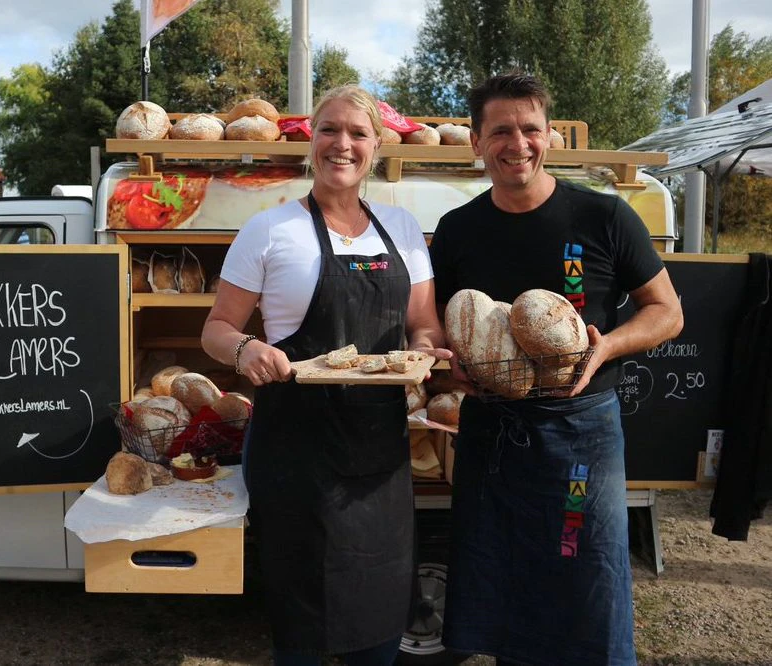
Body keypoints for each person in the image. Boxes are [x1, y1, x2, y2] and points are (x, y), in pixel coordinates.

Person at [428, 71, 684, 665]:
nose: (517, 144)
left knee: (583, 566)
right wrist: (448, 365)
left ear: (550, 137)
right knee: (503, 573)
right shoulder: (458, 230)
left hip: (581, 431)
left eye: (530, 129)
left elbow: (667, 313)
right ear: (476, 141)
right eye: (500, 131)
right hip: (491, 431)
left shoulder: (604, 217)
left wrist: (606, 348)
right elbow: (436, 325)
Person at [201, 84, 453, 665]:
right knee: (301, 631)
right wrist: (244, 349)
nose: (343, 143)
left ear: (376, 147)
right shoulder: (269, 229)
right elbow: (216, 328)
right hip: (295, 456)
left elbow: (423, 324)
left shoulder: (402, 228)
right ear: (311, 141)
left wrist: (421, 353)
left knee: (379, 628)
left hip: (377, 457)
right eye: (330, 130)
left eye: (358, 133)